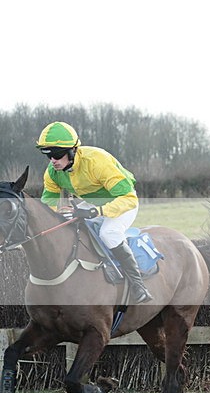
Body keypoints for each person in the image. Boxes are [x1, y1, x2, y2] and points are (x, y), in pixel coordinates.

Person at [37, 121, 153, 303]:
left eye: (57, 154)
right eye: (48, 155)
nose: (53, 161)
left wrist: (98, 211)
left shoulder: (97, 161)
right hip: (92, 204)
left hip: (123, 202)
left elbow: (127, 198)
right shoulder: (52, 172)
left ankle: (138, 286)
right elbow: (48, 204)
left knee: (109, 233)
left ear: (73, 150)